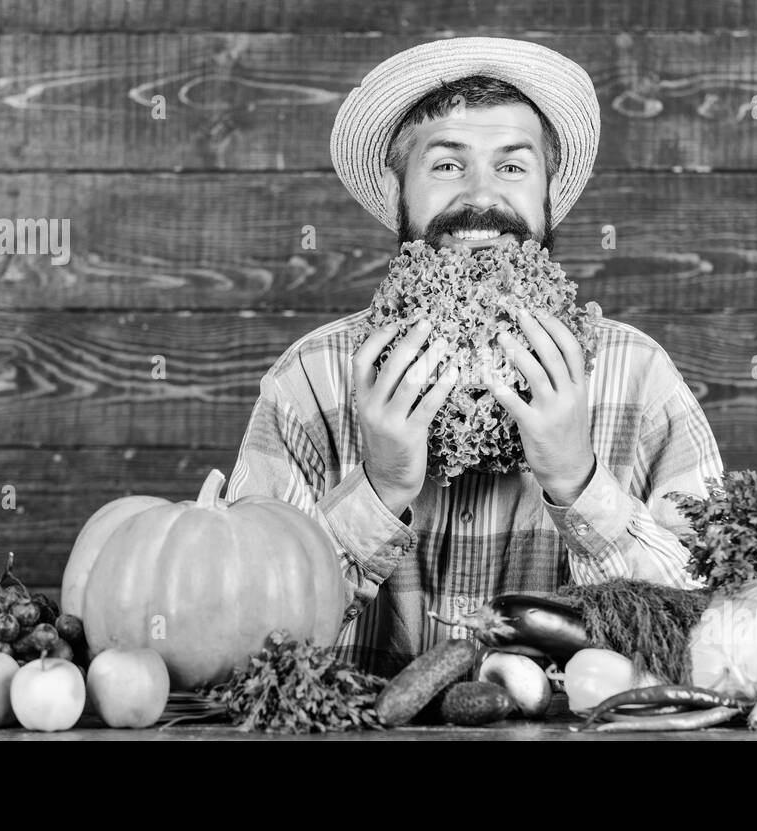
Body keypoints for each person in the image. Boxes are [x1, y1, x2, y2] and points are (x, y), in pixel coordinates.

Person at [226, 38, 723, 676]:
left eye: (513, 167)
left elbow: (718, 631)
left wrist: (579, 480)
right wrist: (376, 492)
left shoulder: (640, 377)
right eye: (447, 165)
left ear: (548, 197)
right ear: (397, 189)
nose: (482, 194)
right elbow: (234, 636)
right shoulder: (309, 383)